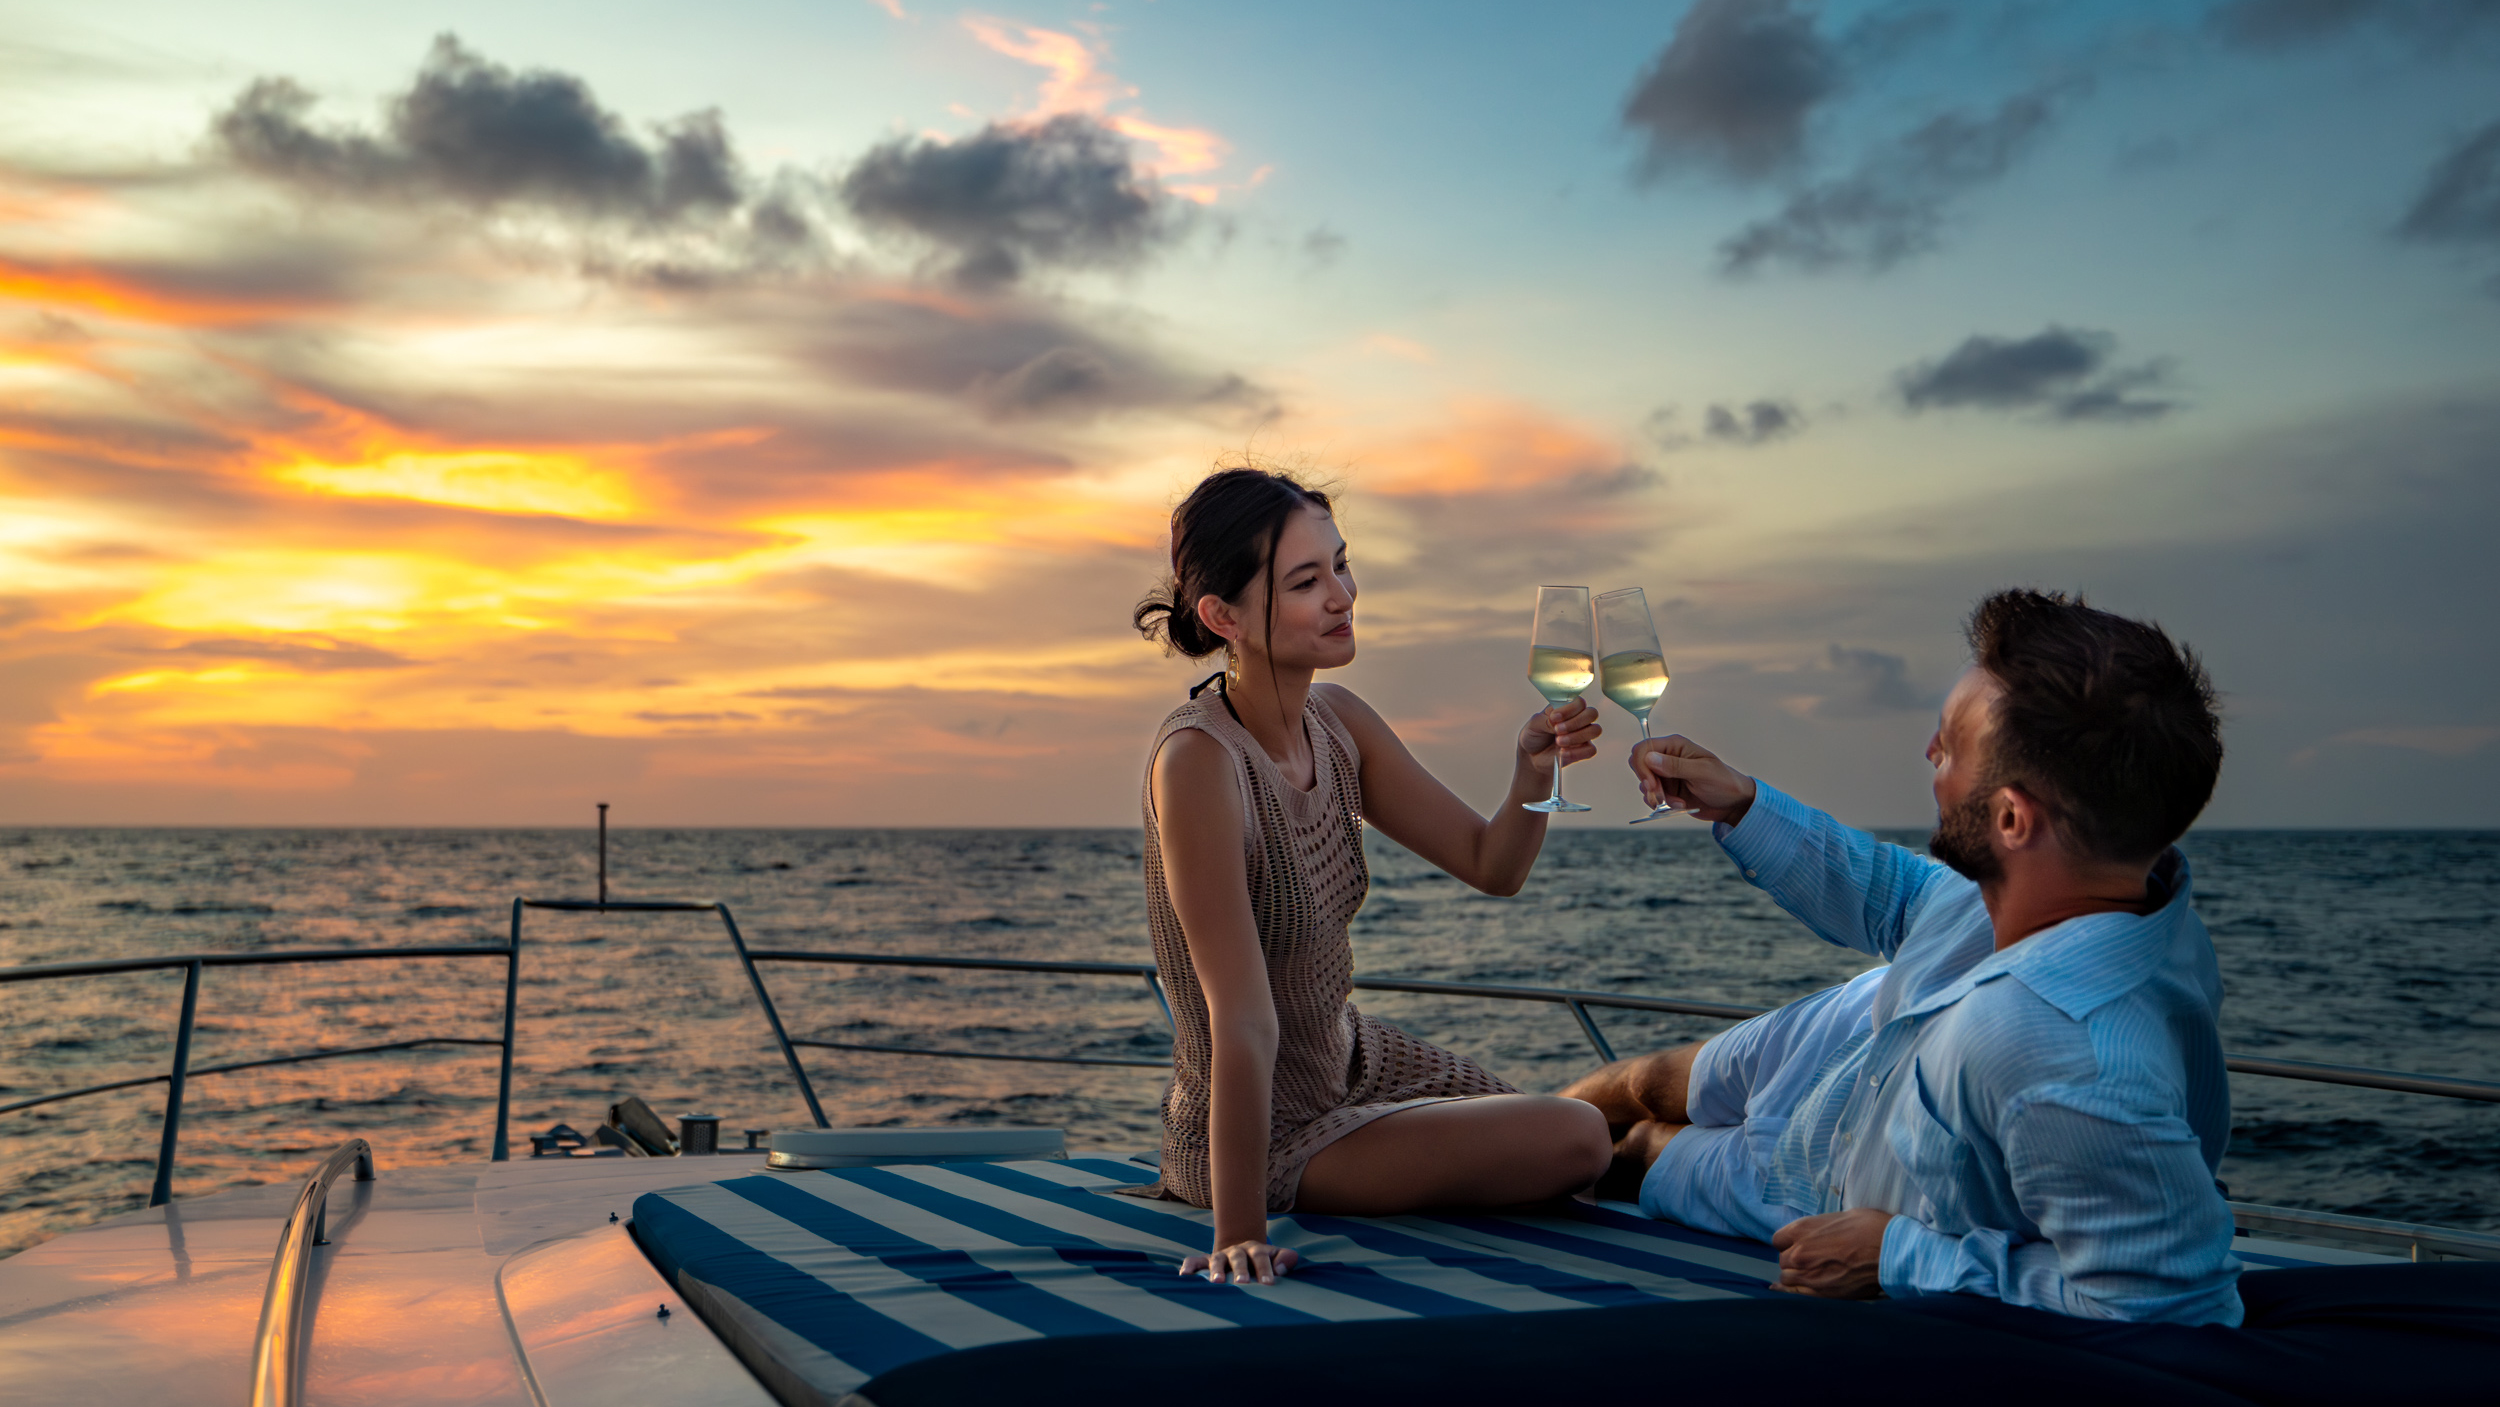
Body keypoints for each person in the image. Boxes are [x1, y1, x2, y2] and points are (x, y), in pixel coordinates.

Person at [1563, 589, 2241, 1325]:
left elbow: (2174, 1303)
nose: (1928, 752)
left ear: (2012, 817)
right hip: (1851, 1044)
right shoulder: (2089, 878)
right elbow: (1899, 893)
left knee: (1633, 1150)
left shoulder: (2069, 1056)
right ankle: (1485, 1123)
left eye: (1949, 744)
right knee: (1633, 1081)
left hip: (1808, 1184)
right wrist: (1742, 802)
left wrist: (1896, 1255)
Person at [1130, 465, 1615, 1288]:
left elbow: (1491, 866)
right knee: (1579, 1138)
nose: (1342, 595)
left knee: (1590, 1136)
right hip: (1269, 1131)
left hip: (1360, 1065)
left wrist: (1530, 774)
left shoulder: (1341, 721)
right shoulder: (1199, 762)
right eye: (1306, 581)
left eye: (1341, 566)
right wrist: (1240, 1231)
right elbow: (1241, 1021)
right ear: (1224, 616)